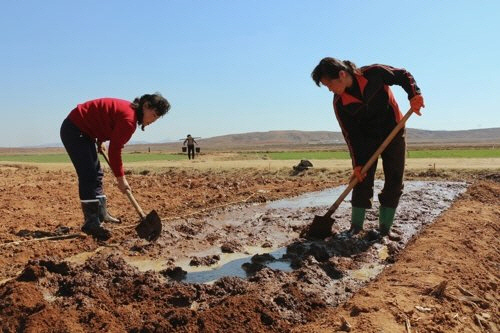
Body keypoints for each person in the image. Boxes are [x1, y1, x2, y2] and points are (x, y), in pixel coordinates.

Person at [311, 58, 424, 237]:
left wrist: (414, 94)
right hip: (367, 140)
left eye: (329, 85)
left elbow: (402, 75)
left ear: (341, 75)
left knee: (394, 179)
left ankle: (384, 229)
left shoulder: (374, 73)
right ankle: (356, 227)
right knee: (361, 179)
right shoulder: (340, 103)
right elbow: (351, 135)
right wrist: (357, 164)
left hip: (393, 131)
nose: (330, 89)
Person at [60, 93, 171, 240]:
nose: (153, 120)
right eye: (154, 115)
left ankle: (101, 214)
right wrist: (121, 179)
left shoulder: (129, 114)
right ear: (145, 106)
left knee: (97, 174)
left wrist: (99, 140)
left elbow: (104, 119)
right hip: (75, 130)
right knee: (89, 175)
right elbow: (115, 150)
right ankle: (91, 223)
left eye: (157, 118)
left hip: (84, 131)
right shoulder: (129, 120)